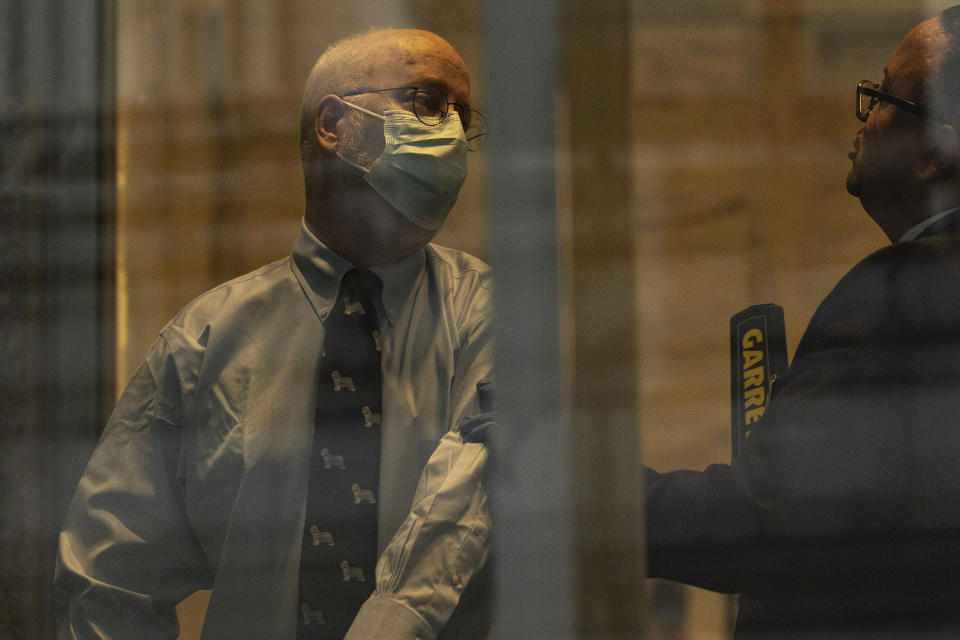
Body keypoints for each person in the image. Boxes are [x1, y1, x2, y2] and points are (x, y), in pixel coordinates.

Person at [55, 29, 493, 639]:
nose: (449, 130)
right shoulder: (206, 341)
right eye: (424, 100)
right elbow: (109, 580)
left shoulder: (489, 314)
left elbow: (472, 498)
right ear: (334, 124)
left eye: (461, 115)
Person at [645, 7, 960, 638]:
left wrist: (565, 482)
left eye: (880, 96)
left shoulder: (908, 289)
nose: (863, 118)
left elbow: (761, 522)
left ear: (933, 152)